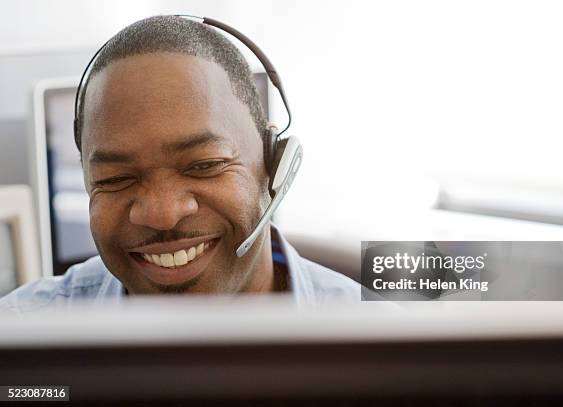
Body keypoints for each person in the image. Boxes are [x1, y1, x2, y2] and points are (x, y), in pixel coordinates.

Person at [0, 15, 360, 313]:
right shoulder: (21, 338)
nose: (162, 214)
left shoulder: (384, 351)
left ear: (274, 163)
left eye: (204, 165)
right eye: (115, 178)